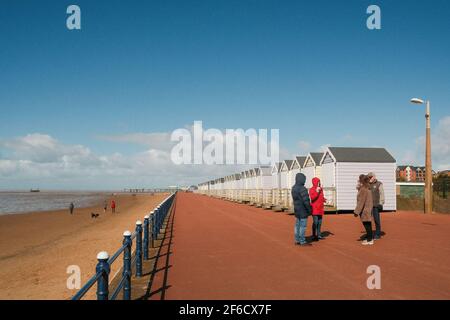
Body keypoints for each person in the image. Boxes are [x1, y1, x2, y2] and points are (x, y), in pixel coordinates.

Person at [291, 173, 313, 246]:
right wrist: (309, 210)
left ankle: (297, 240)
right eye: (304, 179)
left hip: (297, 210)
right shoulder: (302, 189)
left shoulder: (293, 188)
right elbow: (306, 201)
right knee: (302, 226)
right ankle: (302, 241)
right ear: (301, 179)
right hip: (303, 210)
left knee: (297, 225)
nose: (305, 181)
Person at [354, 174, 374, 245]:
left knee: (367, 225)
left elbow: (361, 202)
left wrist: (356, 212)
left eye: (359, 180)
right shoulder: (367, 188)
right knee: (368, 224)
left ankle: (370, 239)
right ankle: (369, 238)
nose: (358, 181)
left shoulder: (363, 189)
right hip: (367, 209)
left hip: (365, 210)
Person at [368, 172, 385, 240]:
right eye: (369, 177)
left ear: (374, 177)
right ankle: (369, 234)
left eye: (371, 177)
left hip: (376, 205)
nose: (370, 178)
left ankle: (378, 234)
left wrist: (381, 203)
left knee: (376, 220)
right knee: (368, 220)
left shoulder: (379, 184)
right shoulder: (367, 184)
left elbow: (382, 194)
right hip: (368, 205)